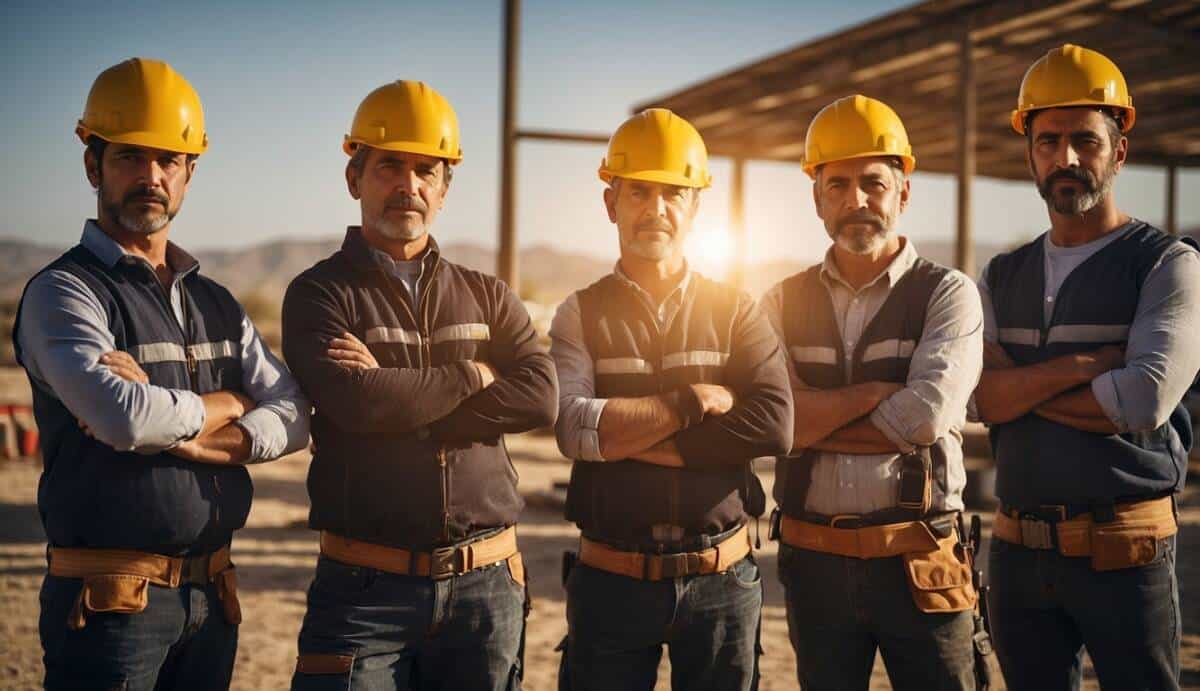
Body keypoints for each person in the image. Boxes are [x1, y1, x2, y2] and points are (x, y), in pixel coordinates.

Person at [14, 57, 311, 691]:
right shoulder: (65, 293)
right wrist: (231, 400)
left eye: (168, 160)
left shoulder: (218, 303)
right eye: (129, 157)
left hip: (213, 599)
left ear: (189, 173)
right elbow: (122, 417)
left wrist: (187, 426)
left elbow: (293, 413)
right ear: (93, 164)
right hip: (109, 606)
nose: (150, 176)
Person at [283, 79, 557, 690]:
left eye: (424, 170)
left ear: (444, 188)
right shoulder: (319, 294)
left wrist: (401, 399)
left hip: (487, 589)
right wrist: (473, 375)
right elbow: (355, 404)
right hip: (364, 592)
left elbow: (541, 394)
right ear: (355, 179)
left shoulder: (487, 293)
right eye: (389, 167)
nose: (408, 186)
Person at [973, 44, 1200, 690]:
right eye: (1047, 141)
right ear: (1030, 153)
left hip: (1124, 554)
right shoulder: (1001, 275)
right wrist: (1083, 365)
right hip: (1016, 554)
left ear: (1120, 151)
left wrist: (1013, 387)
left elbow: (1140, 402)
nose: (1065, 158)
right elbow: (975, 400)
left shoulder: (1165, 266)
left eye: (1085, 141)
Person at [550, 108, 793, 691]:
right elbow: (571, 428)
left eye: (673, 194)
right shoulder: (579, 312)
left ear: (695, 207)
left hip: (722, 583)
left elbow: (774, 425)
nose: (656, 210)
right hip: (611, 580)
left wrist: (627, 440)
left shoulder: (736, 310)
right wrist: (688, 404)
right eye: (639, 192)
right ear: (612, 204)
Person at [761, 94, 983, 691]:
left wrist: (817, 420)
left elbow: (925, 418)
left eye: (873, 183)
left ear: (903, 191)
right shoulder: (779, 302)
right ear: (816, 199)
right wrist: (874, 395)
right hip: (814, 566)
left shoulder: (948, 294)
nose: (856, 200)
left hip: (921, 561)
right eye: (837, 185)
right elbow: (776, 424)